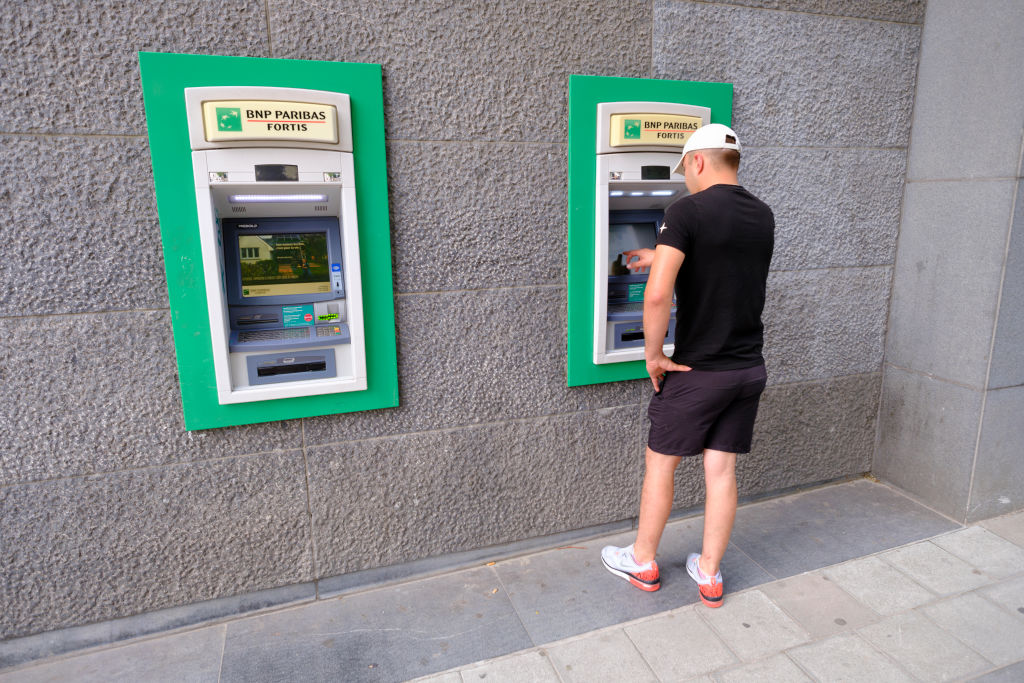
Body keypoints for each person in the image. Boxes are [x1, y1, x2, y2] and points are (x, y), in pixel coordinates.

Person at [600, 124, 775, 608]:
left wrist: (654, 355)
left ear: (697, 161)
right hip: (747, 370)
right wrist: (658, 253)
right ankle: (710, 572)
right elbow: (723, 263)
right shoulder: (762, 214)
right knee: (721, 471)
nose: (686, 179)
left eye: (685, 170)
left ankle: (642, 560)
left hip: (697, 371)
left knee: (661, 463)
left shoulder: (685, 211)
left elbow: (657, 294)